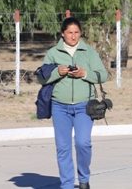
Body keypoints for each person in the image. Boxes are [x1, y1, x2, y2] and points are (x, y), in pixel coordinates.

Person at [38, 17, 109, 189]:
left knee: (82, 143)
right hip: (59, 107)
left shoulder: (88, 52)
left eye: (76, 32)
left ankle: (84, 179)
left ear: (80, 33)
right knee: (63, 148)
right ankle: (67, 185)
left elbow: (103, 75)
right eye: (69, 32)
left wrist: (84, 74)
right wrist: (57, 71)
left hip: (84, 106)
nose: (73, 36)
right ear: (63, 34)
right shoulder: (53, 53)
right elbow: (41, 77)